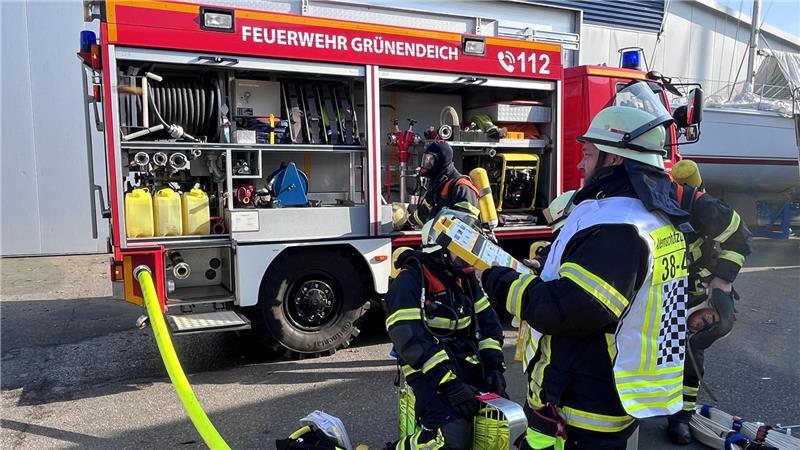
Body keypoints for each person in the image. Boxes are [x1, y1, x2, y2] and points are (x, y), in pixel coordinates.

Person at [479, 82, 692, 449]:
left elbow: (569, 310)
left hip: (582, 405)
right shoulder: (649, 218)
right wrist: (544, 270)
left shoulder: (619, 227)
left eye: (588, 154)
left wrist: (500, 280)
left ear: (615, 159)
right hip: (606, 389)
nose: (580, 163)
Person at [386, 210, 506, 450]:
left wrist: (494, 368)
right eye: (461, 250)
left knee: (499, 424)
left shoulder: (464, 280)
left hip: (464, 363)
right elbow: (410, 339)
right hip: (427, 371)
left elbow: (488, 325)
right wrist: (450, 384)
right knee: (450, 439)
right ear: (438, 249)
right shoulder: (411, 280)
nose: (469, 257)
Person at [665, 159, 752, 444]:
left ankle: (681, 416)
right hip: (661, 294)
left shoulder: (704, 207)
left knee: (691, 356)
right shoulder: (656, 201)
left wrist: (723, 279)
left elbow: (739, 239)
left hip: (697, 293)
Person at [409, 142, 480, 228]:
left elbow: (467, 222)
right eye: (426, 159)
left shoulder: (462, 187)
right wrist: (408, 222)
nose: (427, 163)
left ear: (441, 161)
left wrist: (441, 229)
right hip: (437, 235)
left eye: (430, 159)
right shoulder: (437, 184)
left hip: (452, 236)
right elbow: (423, 214)